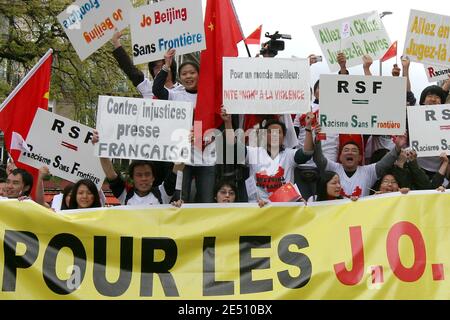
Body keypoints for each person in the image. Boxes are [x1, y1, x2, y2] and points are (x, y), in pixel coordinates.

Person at [153, 48, 216, 203]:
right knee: (181, 200)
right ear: (180, 77)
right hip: (182, 160)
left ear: (199, 74)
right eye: (184, 74)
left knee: (206, 201)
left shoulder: (210, 95)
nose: (188, 76)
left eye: (192, 72)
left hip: (206, 158)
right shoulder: (175, 95)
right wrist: (166, 65)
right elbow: (157, 89)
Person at [222, 109, 314, 202]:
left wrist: (308, 127)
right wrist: (228, 122)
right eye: (270, 132)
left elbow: (307, 153)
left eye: (278, 132)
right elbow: (233, 148)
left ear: (284, 136)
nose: (274, 135)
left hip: (284, 209)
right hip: (259, 209)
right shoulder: (253, 153)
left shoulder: (290, 155)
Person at [313, 126, 407, 197]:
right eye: (346, 150)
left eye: (354, 151)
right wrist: (317, 141)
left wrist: (398, 147)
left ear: (360, 158)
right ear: (340, 157)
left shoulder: (368, 172)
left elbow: (385, 163)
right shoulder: (333, 168)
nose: (350, 152)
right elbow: (318, 159)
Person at [111, 31, 179, 98]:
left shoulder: (183, 90)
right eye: (156, 67)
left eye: (164, 65)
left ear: (172, 68)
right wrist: (116, 42)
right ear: (152, 71)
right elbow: (129, 68)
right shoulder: (147, 87)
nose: (161, 69)